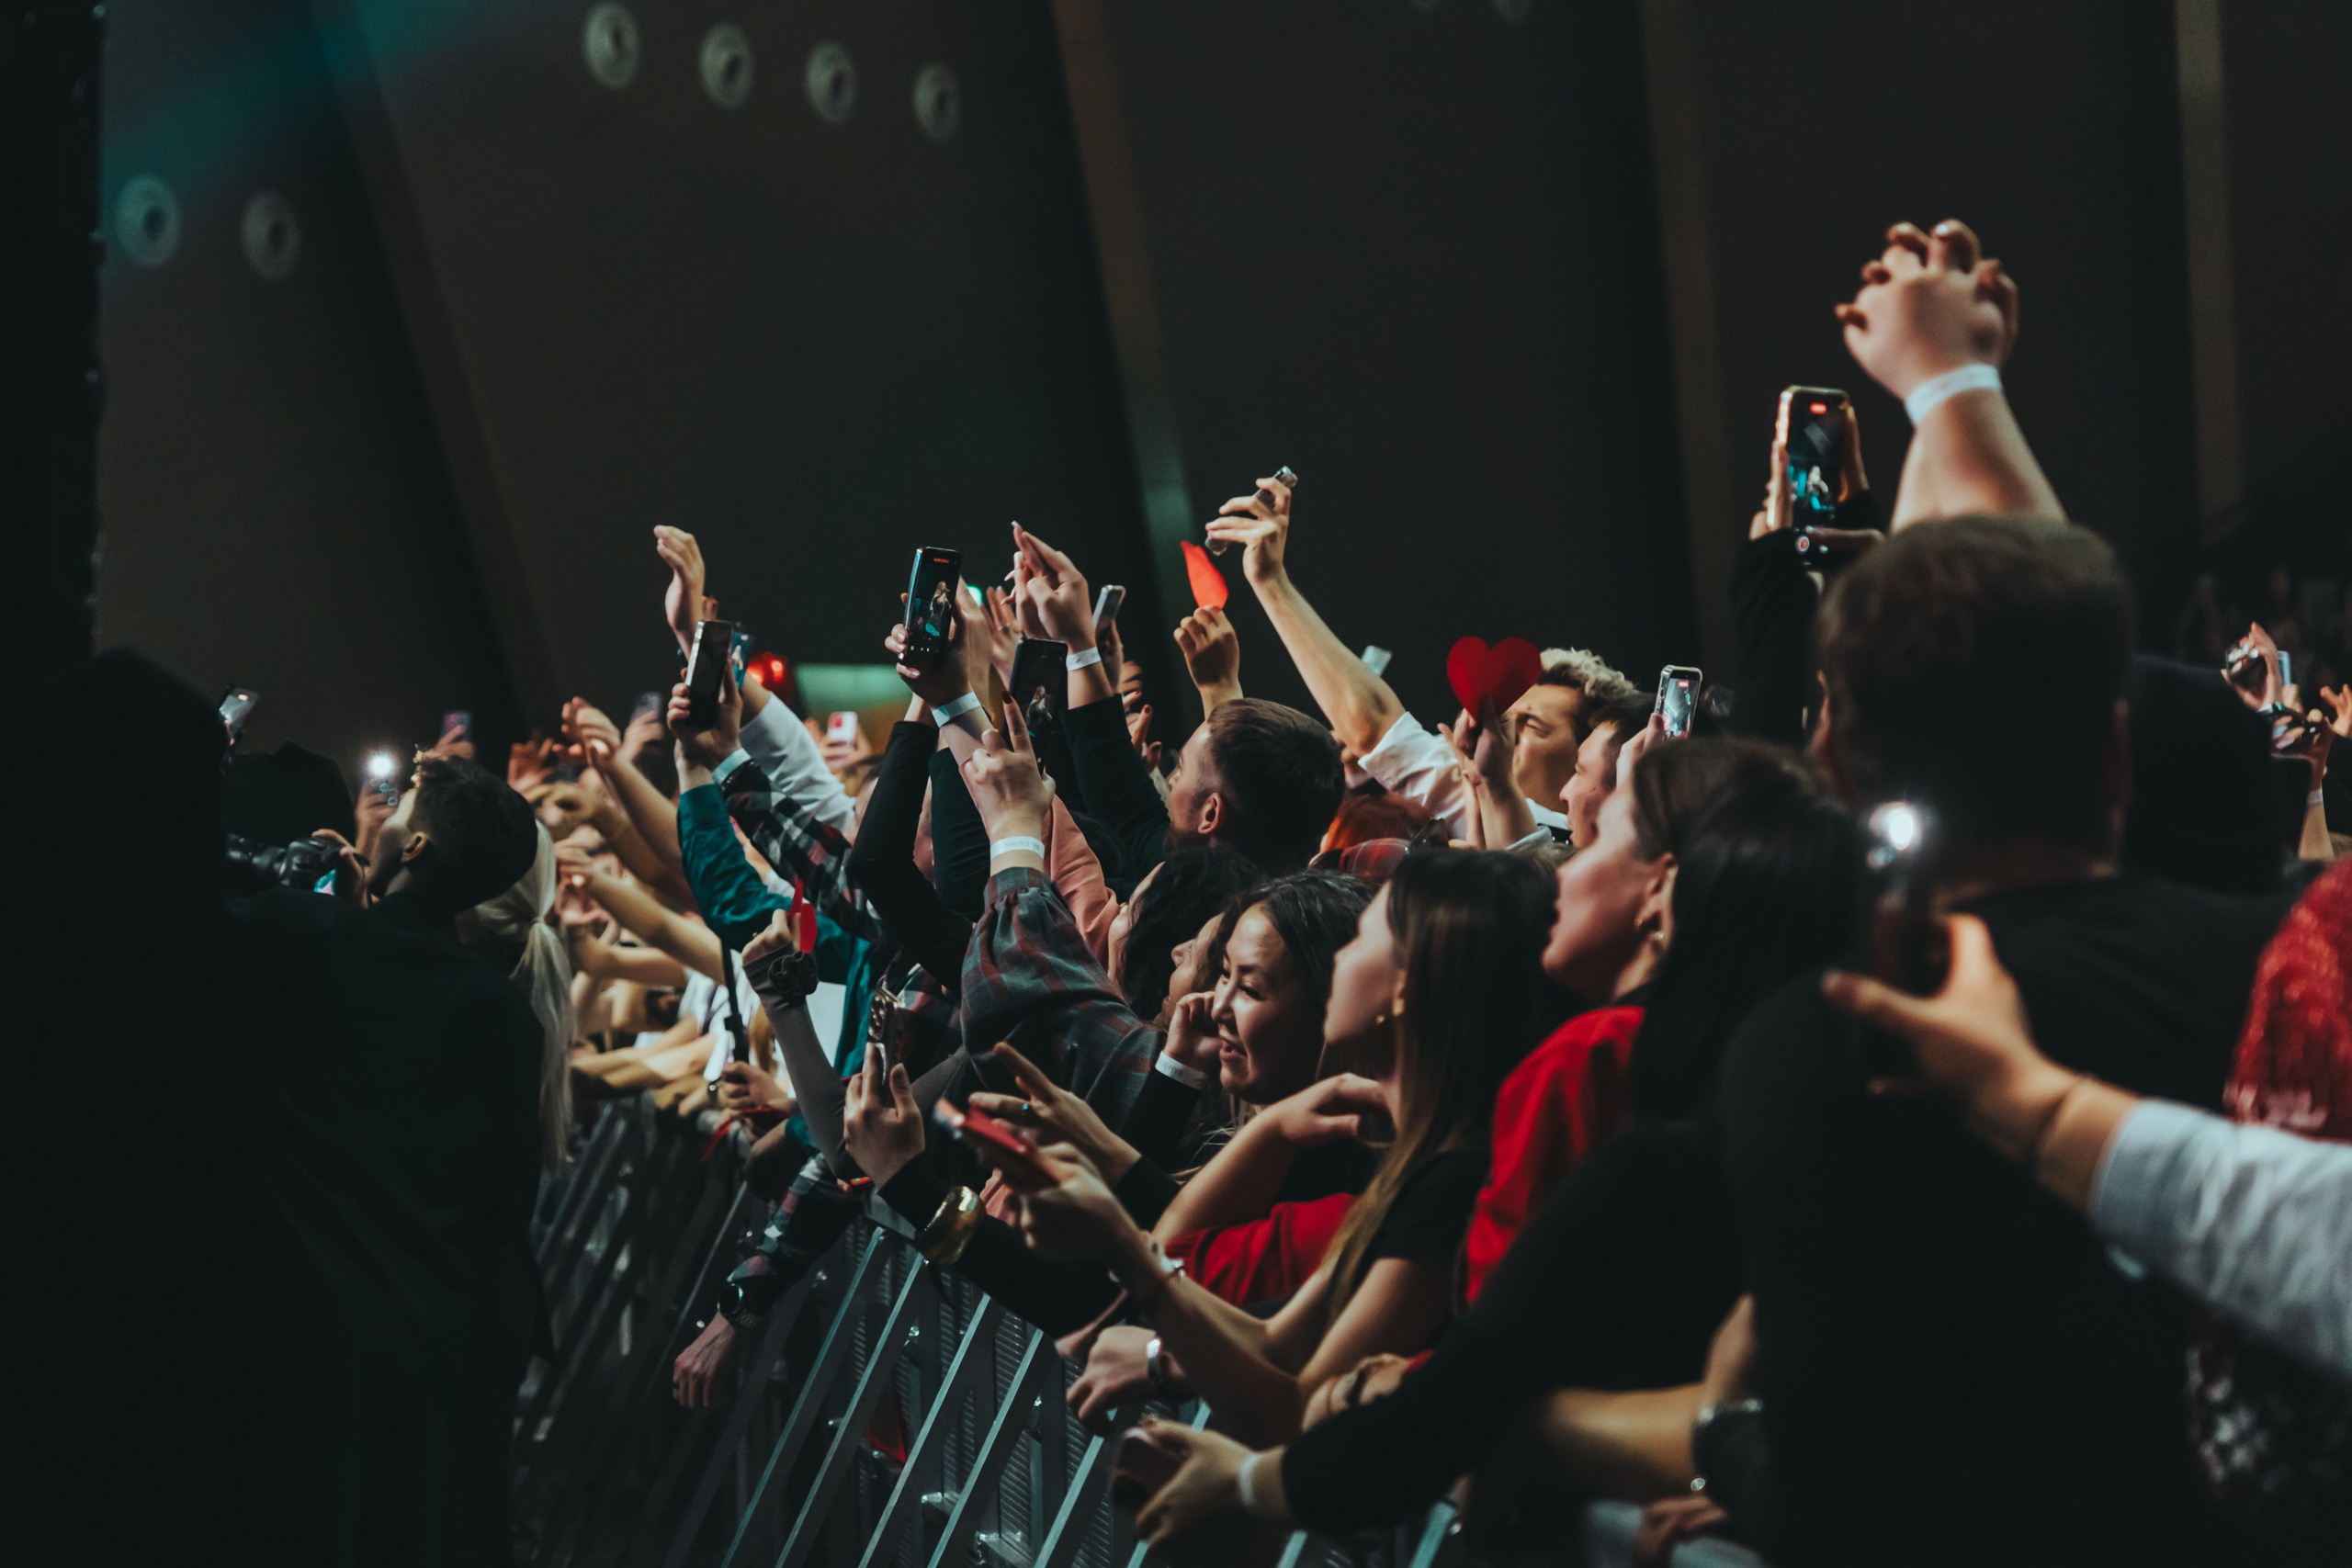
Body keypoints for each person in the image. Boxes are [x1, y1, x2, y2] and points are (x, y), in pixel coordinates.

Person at [1717, 511, 2290, 1562]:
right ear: (2117, 754)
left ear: (1834, 763)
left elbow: (1840, 1503)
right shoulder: (2294, 976)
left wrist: (1723, 1439)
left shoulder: (1815, 1046)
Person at [1008, 848, 1558, 1446]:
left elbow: (1285, 1395)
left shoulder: (1437, 1177)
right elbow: (1269, 1335)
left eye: (1360, 944)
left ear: (1406, 987)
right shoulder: (1417, 1165)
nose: (1216, 1005)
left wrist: (1155, 1345)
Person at [227, 754, 548, 1567]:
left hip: (291, 1306)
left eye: (402, 805)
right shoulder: (502, 1013)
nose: (388, 812)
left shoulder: (306, 935)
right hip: (425, 1331)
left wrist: (300, 886)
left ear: (415, 849)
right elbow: (505, 1190)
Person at [1199, 469, 1641, 845]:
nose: (1499, 733)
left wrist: (1272, 581)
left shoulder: (1564, 842)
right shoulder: (1469, 809)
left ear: (1587, 760)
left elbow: (1373, 724)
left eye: (1532, 726)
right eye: (1506, 717)